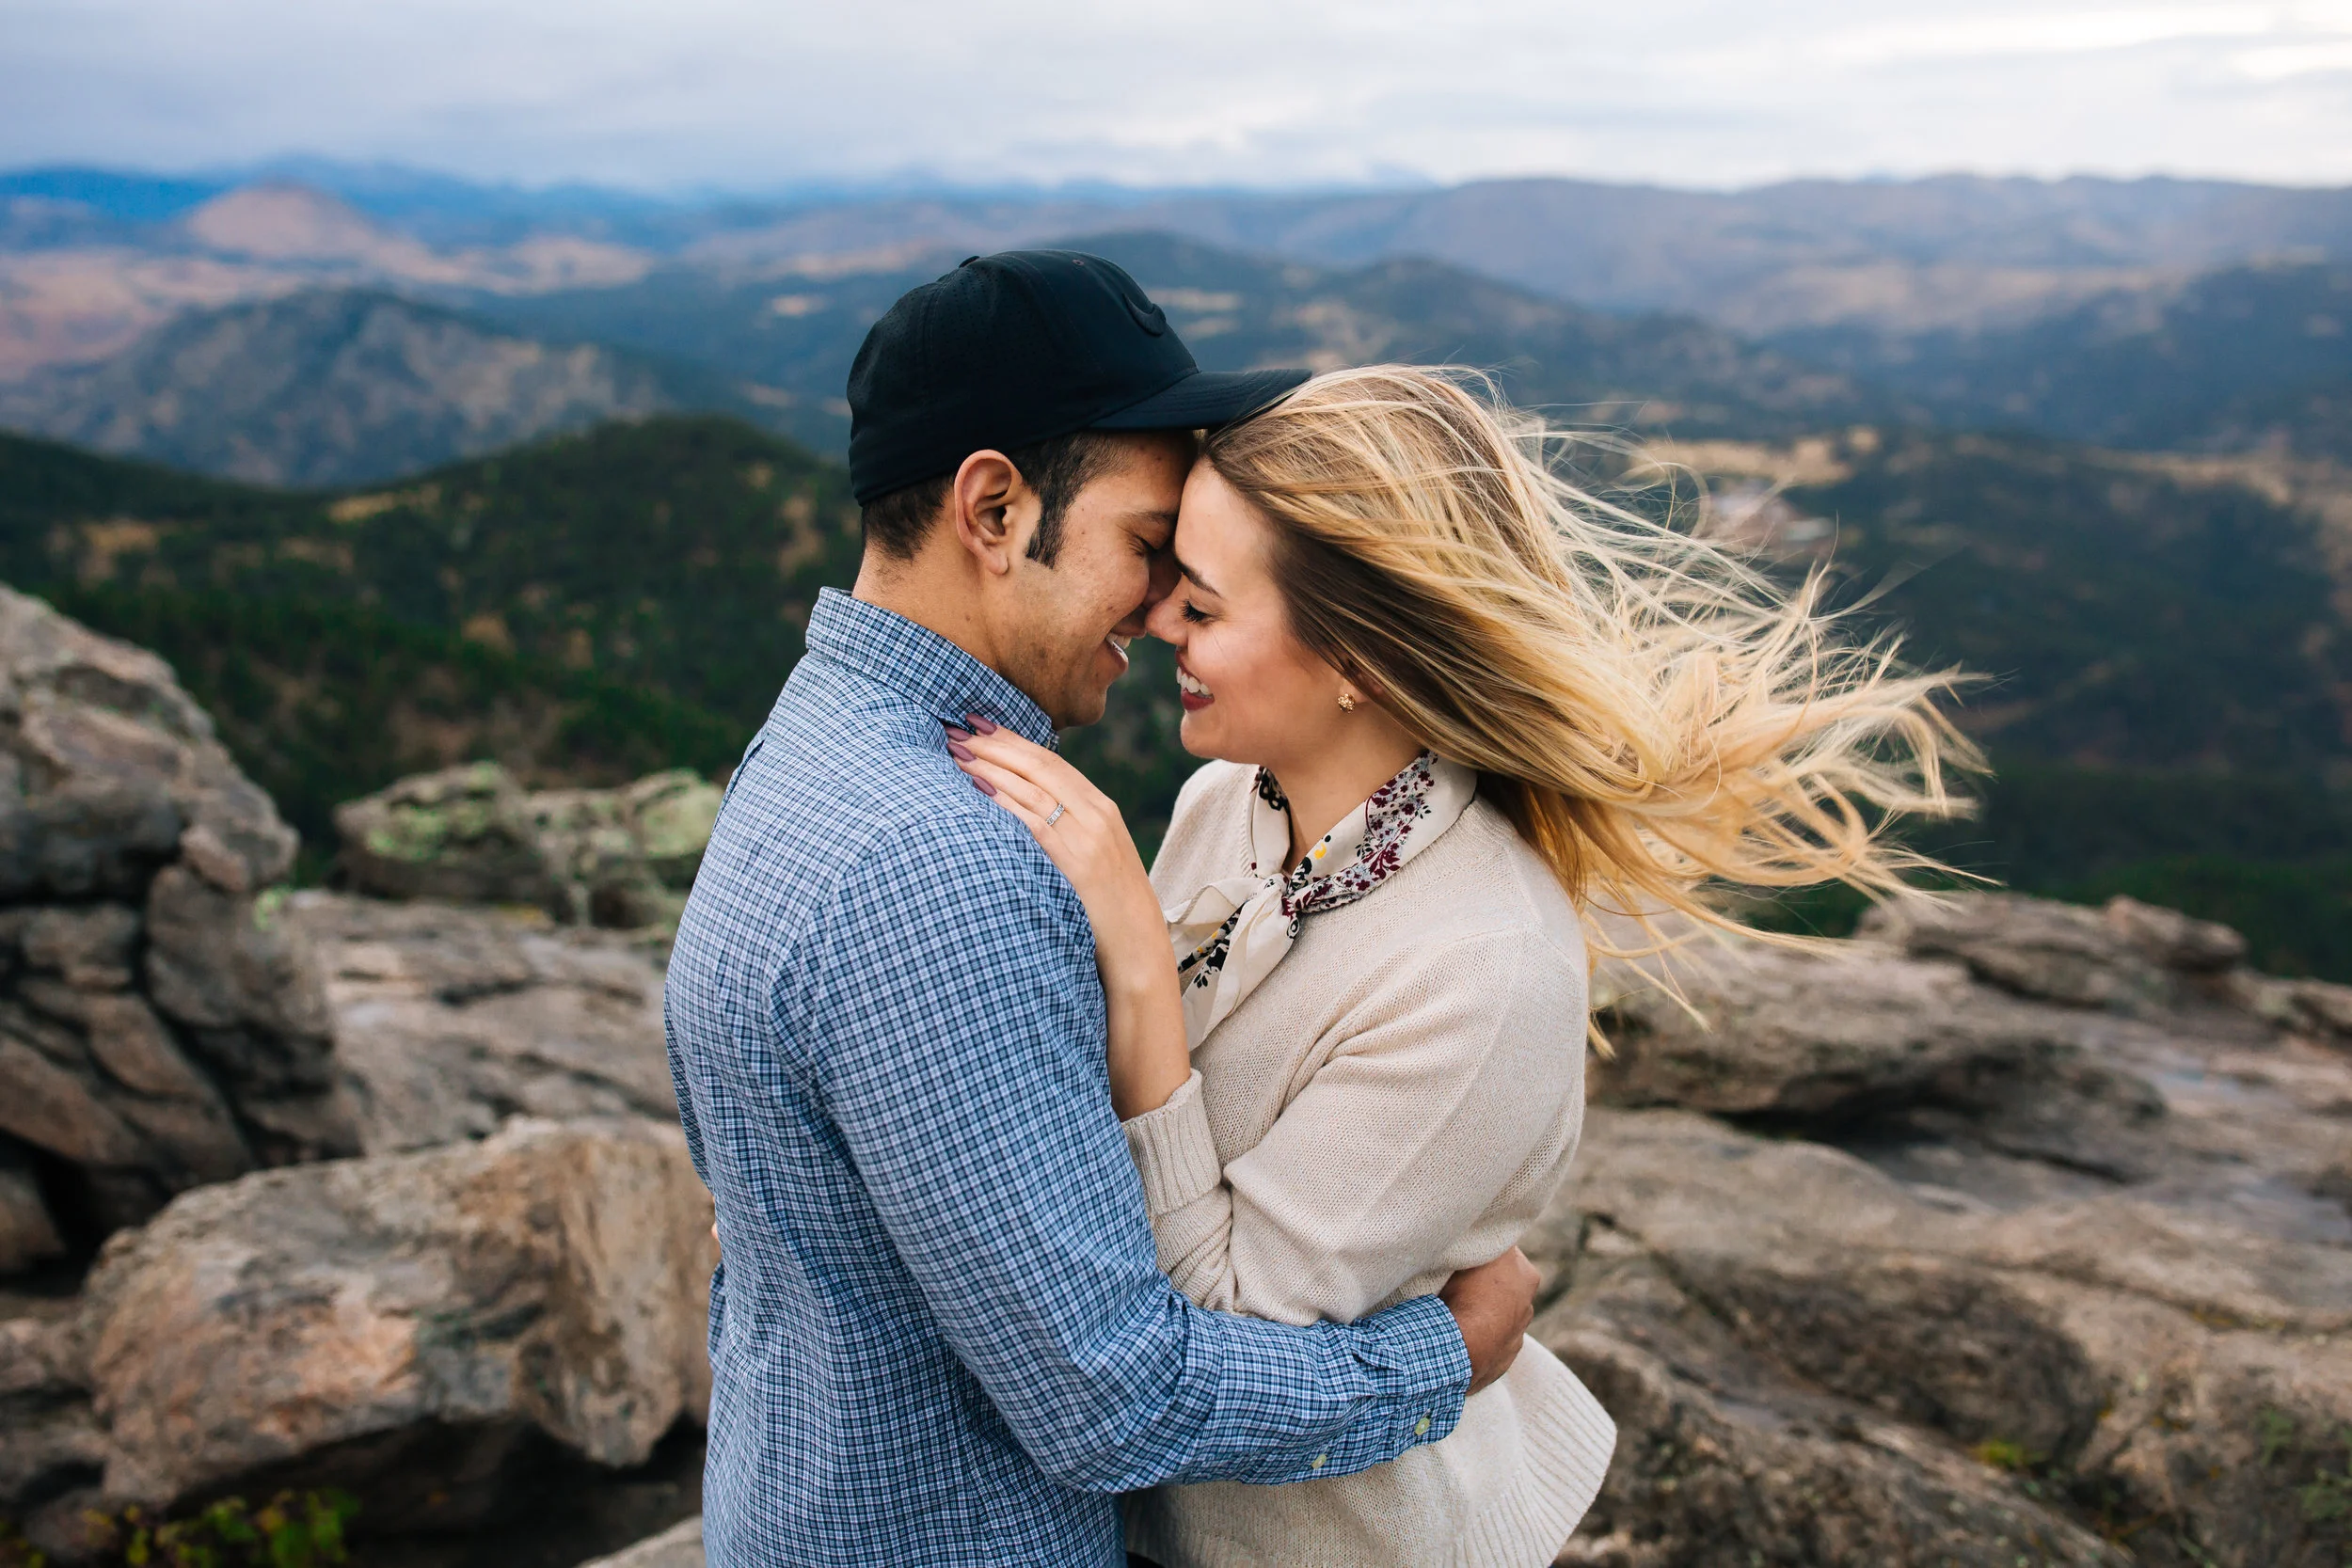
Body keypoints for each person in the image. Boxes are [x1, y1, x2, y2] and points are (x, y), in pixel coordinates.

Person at [948, 364, 1975, 1566]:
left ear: (1360, 660)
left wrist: (1135, 963)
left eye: (1206, 605)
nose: (1160, 617)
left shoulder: (1480, 967)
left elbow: (1221, 1328)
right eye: (1171, 573)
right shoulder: (1224, 800)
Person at [663, 255, 1545, 1568]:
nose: (1163, 601)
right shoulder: (940, 865)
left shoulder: (803, 748)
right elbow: (1113, 1397)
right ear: (995, 508)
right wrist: (1447, 1353)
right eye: (1145, 543)